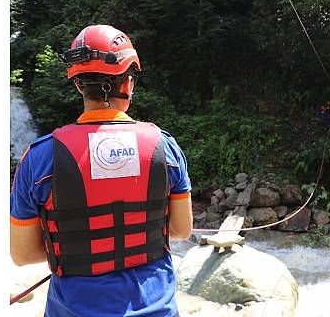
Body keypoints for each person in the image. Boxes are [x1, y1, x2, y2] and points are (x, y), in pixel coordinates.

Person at [10, 25, 193, 317]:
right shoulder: (165, 148)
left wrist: (81, 250)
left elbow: (22, 255)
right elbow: (182, 230)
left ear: (79, 84)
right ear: (128, 83)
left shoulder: (40, 158)